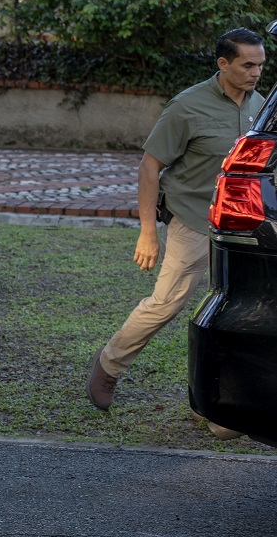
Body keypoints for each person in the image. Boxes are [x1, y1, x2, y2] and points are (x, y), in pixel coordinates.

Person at [86, 27, 266, 438]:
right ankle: (110, 363)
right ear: (223, 64)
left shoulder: (261, 106)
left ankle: (221, 403)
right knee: (167, 302)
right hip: (193, 217)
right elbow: (150, 167)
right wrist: (147, 231)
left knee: (241, 311)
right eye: (247, 65)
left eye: (260, 65)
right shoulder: (187, 106)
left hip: (241, 225)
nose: (256, 73)